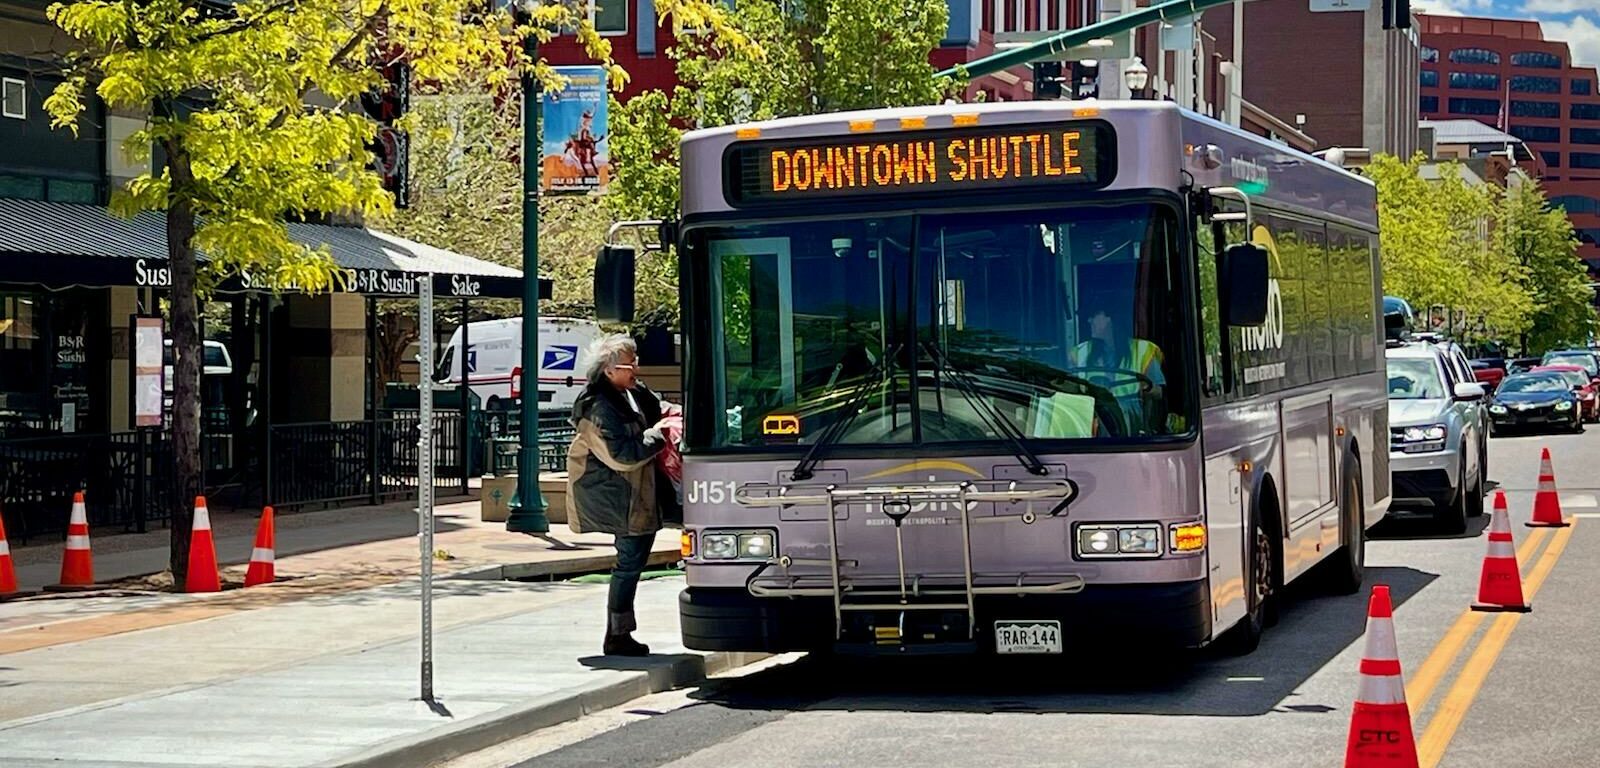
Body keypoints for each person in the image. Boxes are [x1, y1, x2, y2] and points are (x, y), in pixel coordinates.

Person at [566, 335, 672, 657]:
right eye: (630, 365)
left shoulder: (631, 393)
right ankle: (617, 635)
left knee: (633, 561)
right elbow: (623, 456)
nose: (636, 369)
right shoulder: (597, 408)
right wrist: (660, 434)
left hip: (640, 494)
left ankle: (620, 633)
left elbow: (658, 408)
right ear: (609, 371)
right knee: (628, 564)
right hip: (620, 497)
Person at [1070, 303, 1166, 431]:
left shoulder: (1143, 351)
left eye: (1094, 315)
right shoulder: (1079, 353)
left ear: (1112, 319)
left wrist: (1148, 386)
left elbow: (1160, 394)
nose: (1089, 320)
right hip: (1091, 426)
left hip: (1130, 428)